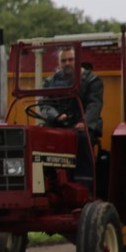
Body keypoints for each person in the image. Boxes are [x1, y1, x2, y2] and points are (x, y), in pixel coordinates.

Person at [42, 47, 104, 184]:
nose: (67, 63)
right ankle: (45, 178)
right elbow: (44, 105)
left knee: (82, 137)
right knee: (40, 135)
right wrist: (56, 116)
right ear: (59, 63)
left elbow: (94, 105)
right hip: (58, 123)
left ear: (78, 61)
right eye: (64, 60)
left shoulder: (92, 80)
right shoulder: (50, 82)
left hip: (81, 123)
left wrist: (84, 121)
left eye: (70, 60)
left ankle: (85, 183)